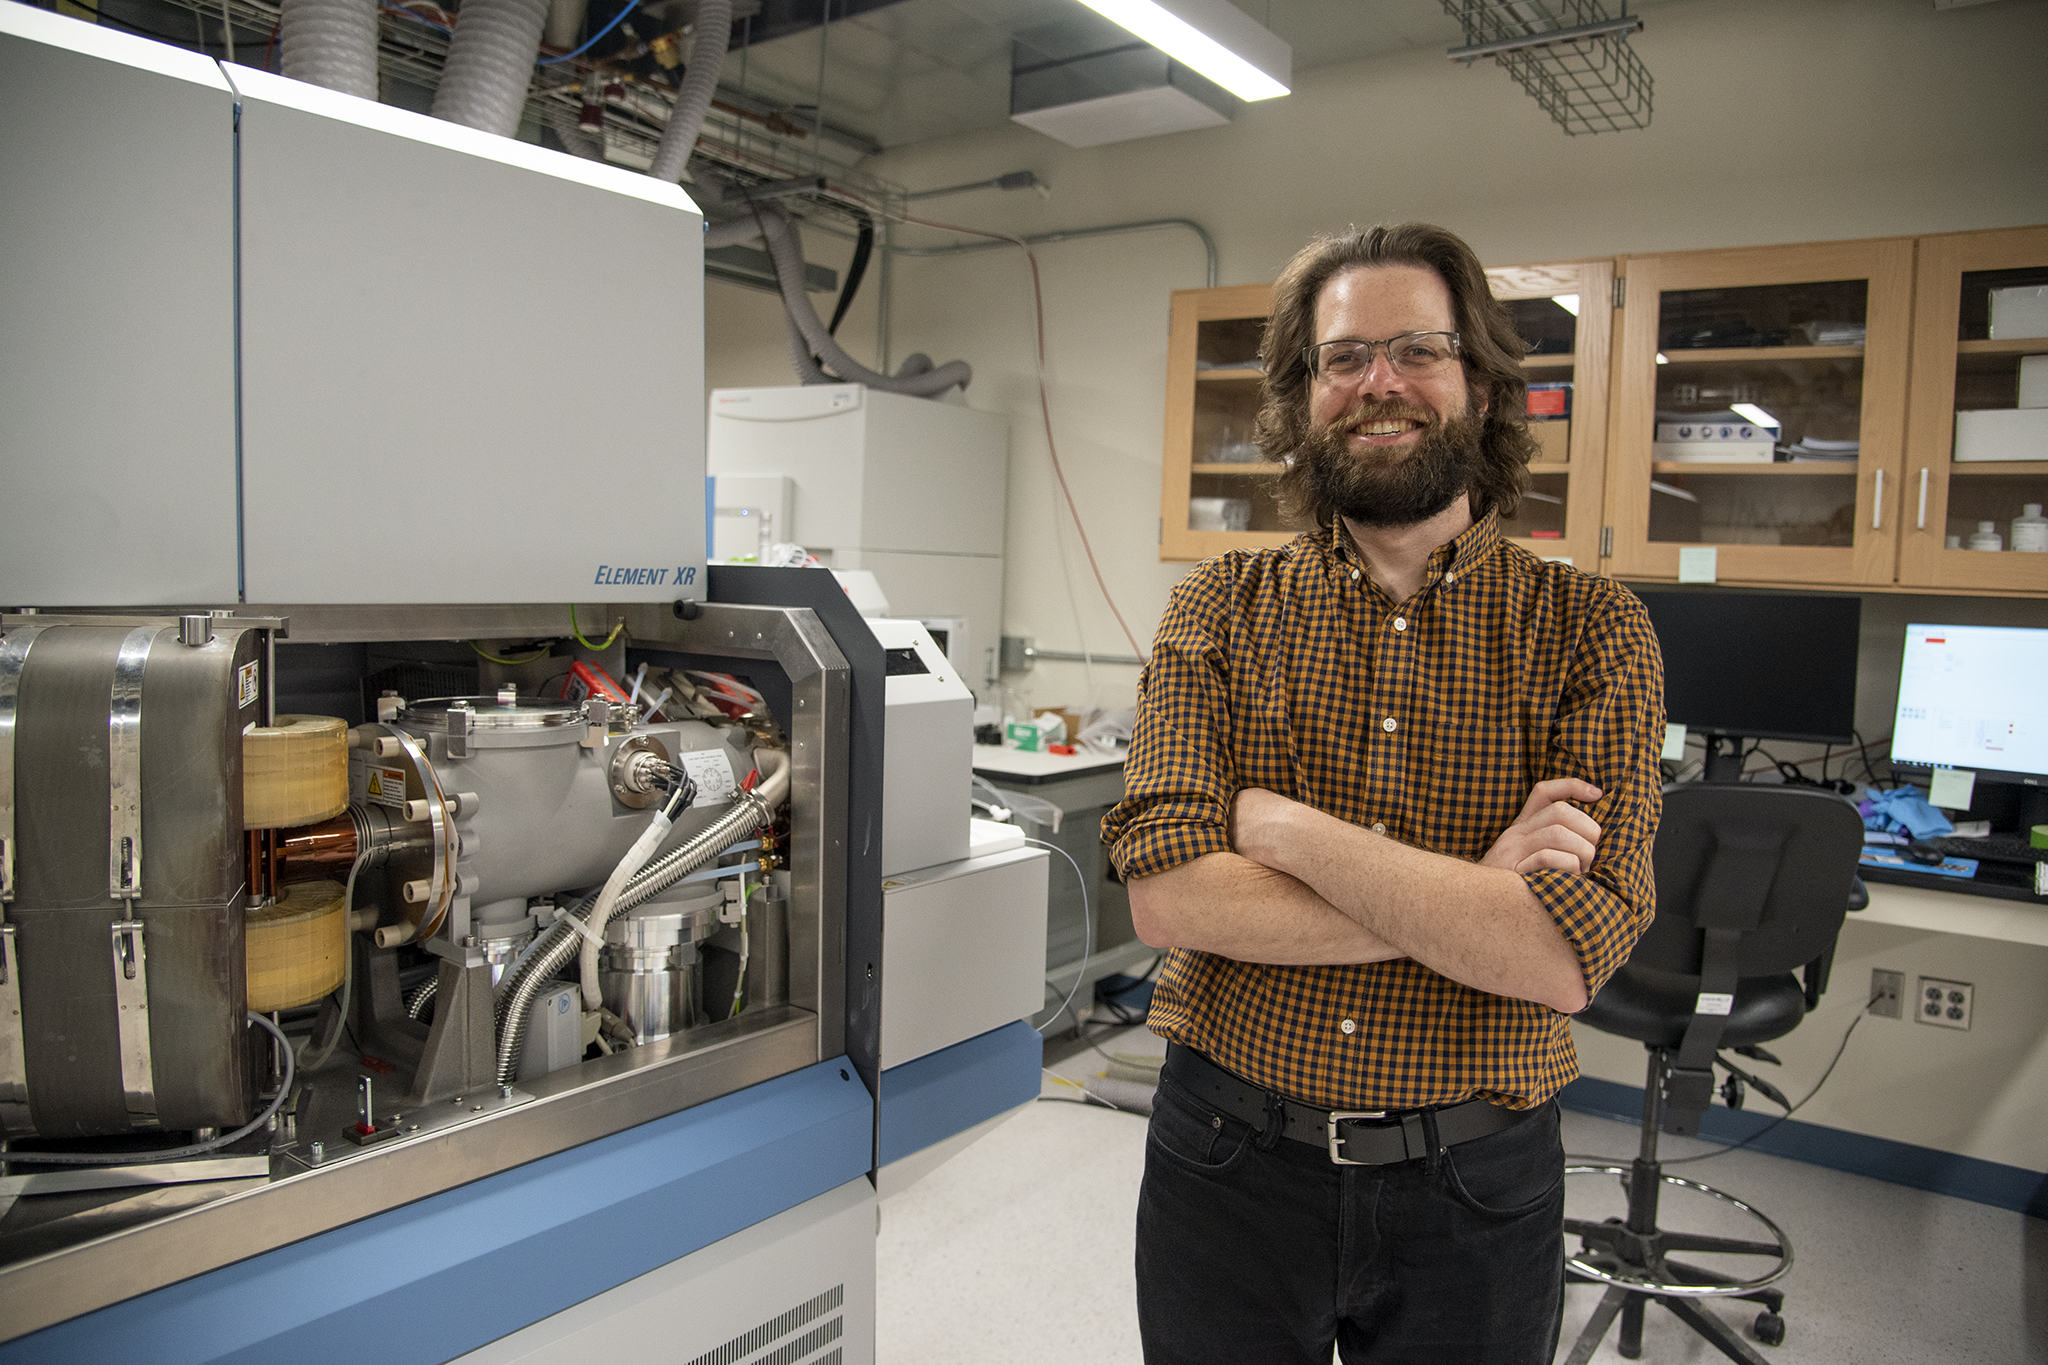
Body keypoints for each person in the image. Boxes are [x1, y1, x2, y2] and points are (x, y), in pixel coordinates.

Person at [1101, 222, 1665, 1364]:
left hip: (1477, 1182)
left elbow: (1561, 958)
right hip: (1225, 1162)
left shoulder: (1591, 629)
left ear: (1483, 386)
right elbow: (1167, 903)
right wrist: (1475, 897)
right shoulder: (1217, 607)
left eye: (1417, 349)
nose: (1379, 384)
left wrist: (1284, 830)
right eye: (1342, 357)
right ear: (1302, 395)